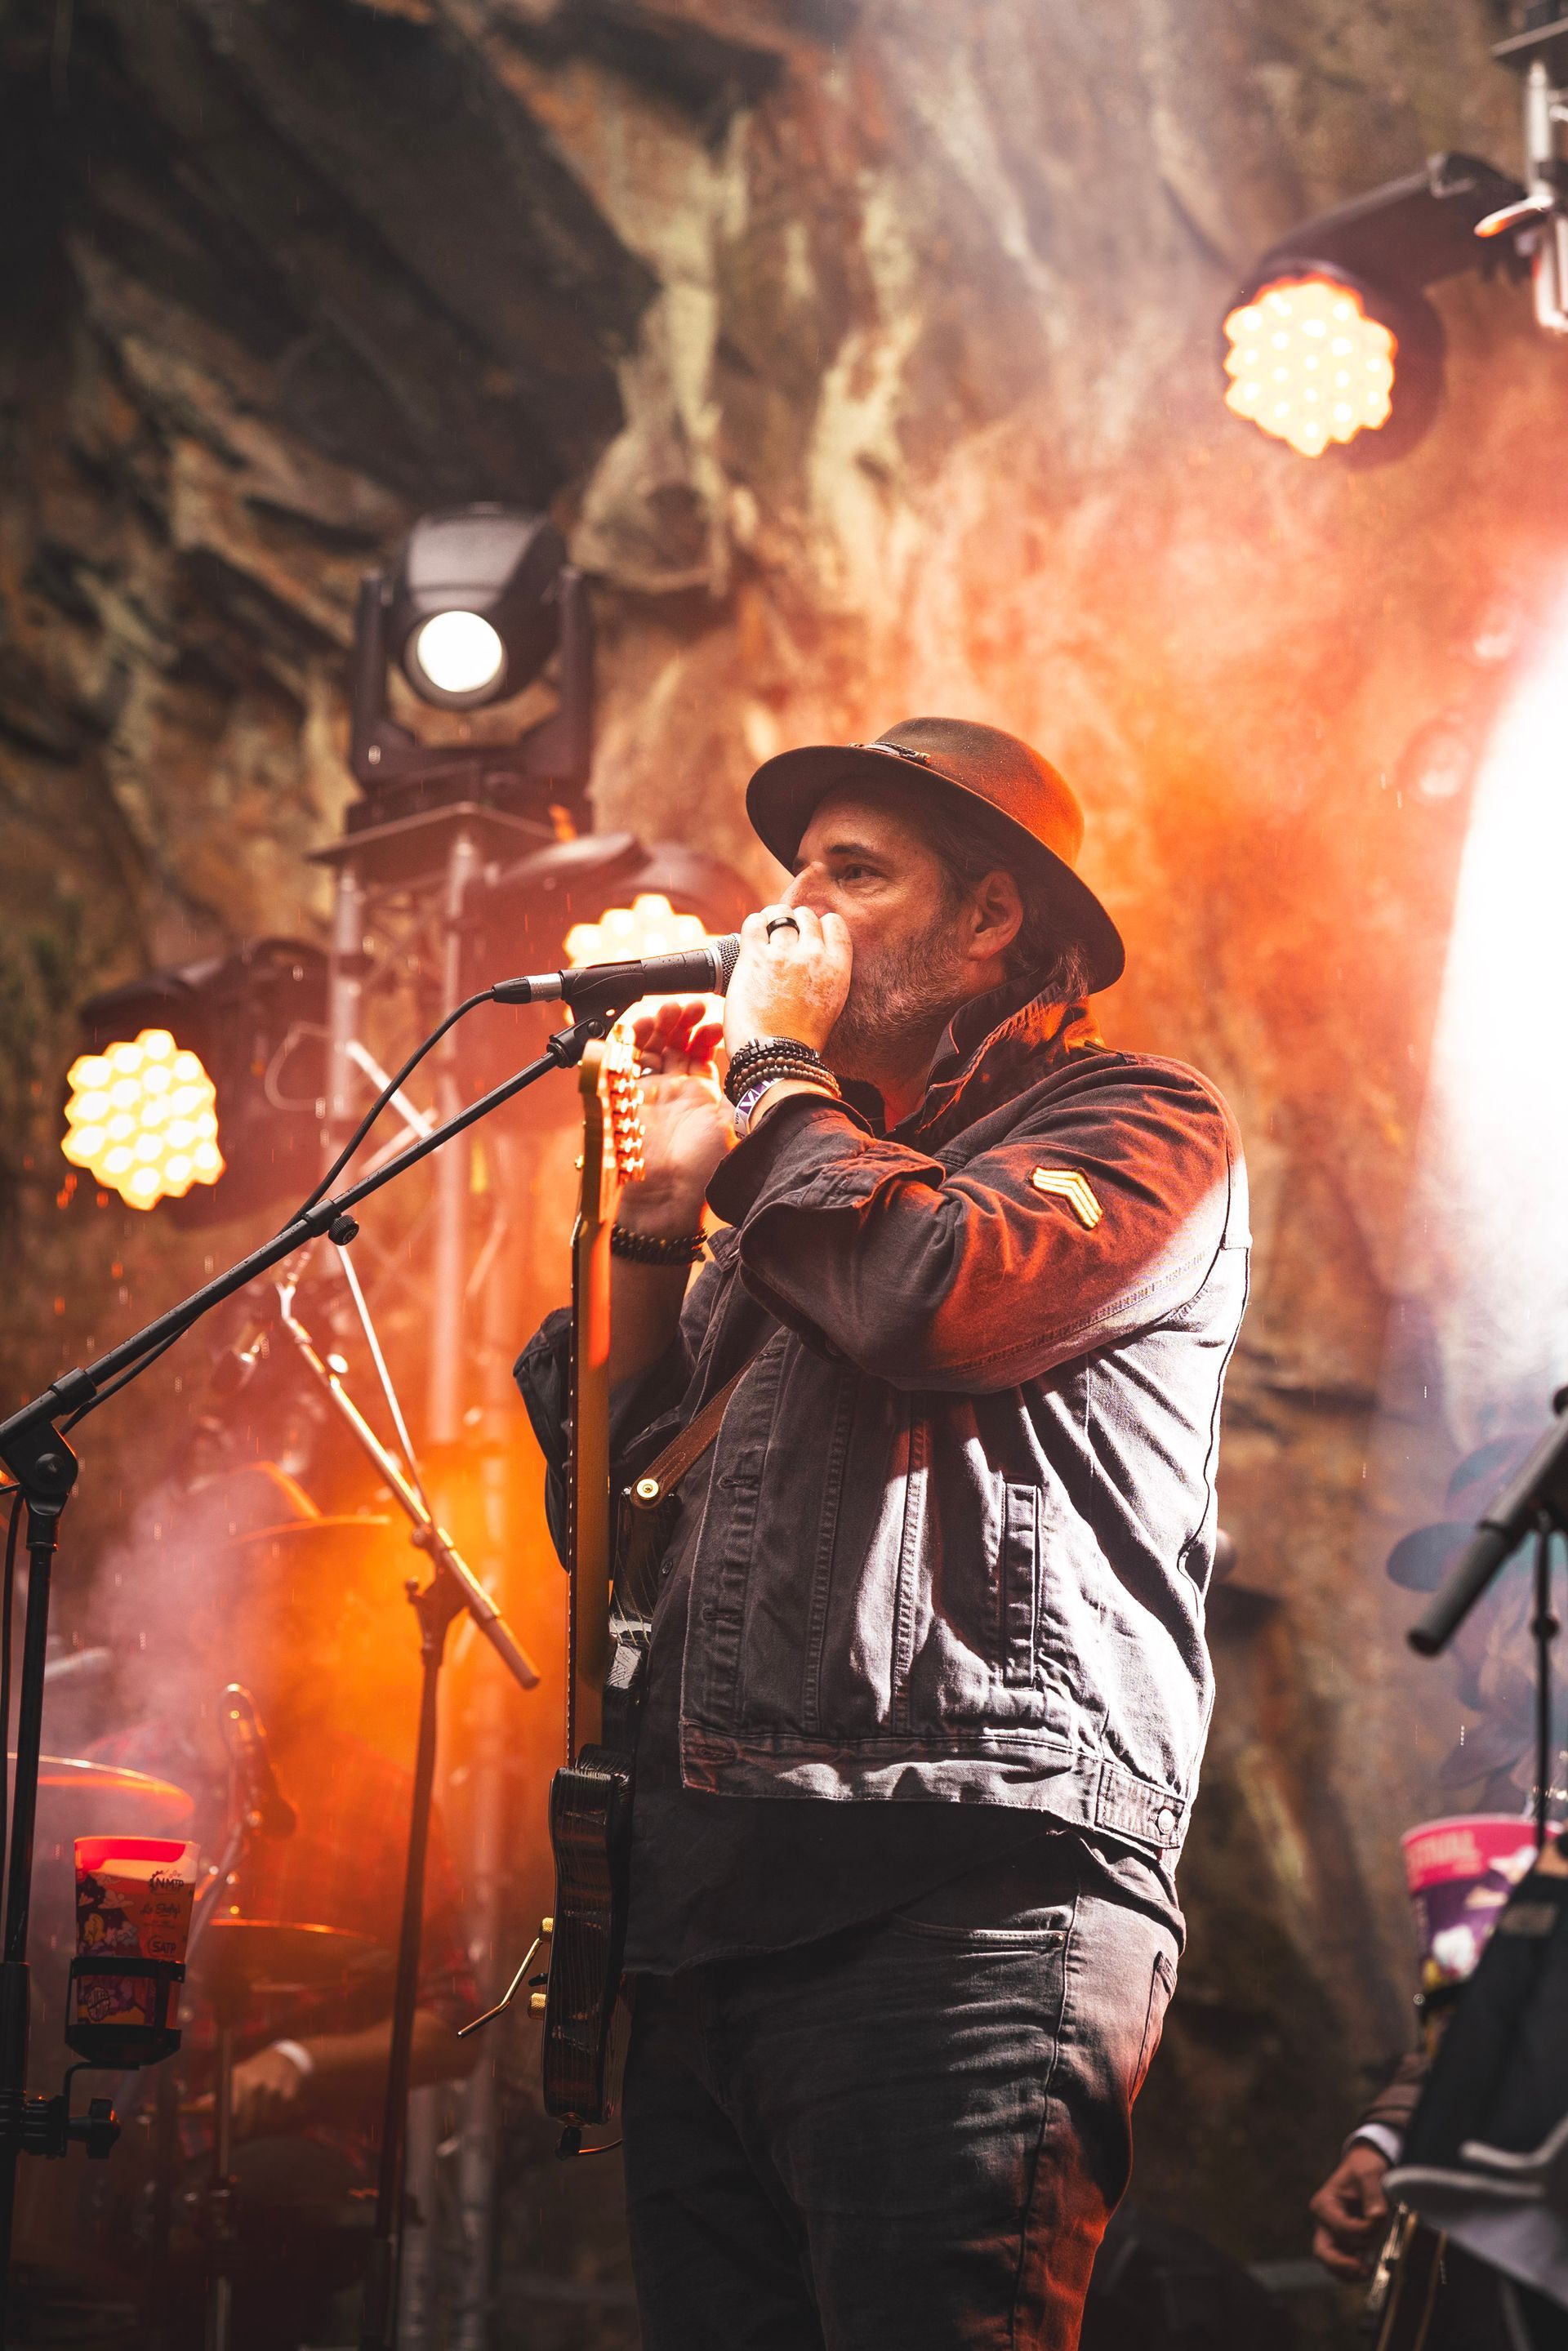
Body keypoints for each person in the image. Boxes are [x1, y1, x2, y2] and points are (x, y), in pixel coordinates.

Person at [517, 715, 1250, 2350]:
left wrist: (772, 1077)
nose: (797, 908)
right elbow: (612, 1530)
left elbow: (932, 1290)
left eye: (855, 871)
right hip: (714, 1931)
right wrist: (653, 1228)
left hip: (962, 1899)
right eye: (795, 870)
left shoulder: (1140, 1125)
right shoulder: (790, 1206)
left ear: (990, 920)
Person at [83, 1459, 476, 2351]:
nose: (321, 1627)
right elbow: (79, 1990)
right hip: (134, 2131)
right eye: (284, 1602)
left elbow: (456, 2023)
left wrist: (302, 2059)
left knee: (238, 2221)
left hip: (312, 2149)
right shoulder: (124, 1778)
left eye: (319, 1602)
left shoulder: (386, 1797)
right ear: (209, 1616)